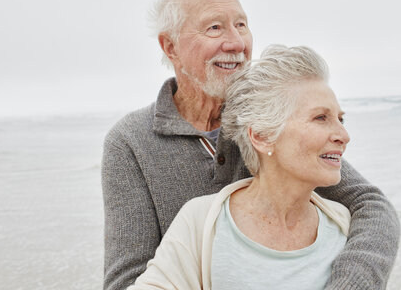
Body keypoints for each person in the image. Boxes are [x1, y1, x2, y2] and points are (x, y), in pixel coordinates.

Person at [102, 0, 400, 290]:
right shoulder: (130, 141)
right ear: (170, 46)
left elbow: (370, 205)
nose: (236, 43)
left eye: (241, 25)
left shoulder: (270, 121)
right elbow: (126, 280)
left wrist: (349, 283)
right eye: (214, 27)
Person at [128, 44, 354, 290]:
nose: (344, 135)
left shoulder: (344, 225)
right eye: (321, 117)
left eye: (340, 119)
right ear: (261, 136)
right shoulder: (201, 221)